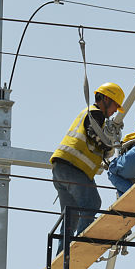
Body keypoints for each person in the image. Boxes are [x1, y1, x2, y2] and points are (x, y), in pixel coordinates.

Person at [49, 82, 124, 249]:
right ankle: (78, 248)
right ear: (105, 99)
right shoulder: (96, 114)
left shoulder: (89, 114)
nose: (114, 112)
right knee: (92, 204)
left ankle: (63, 259)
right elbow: (92, 131)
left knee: (71, 217)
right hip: (73, 169)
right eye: (115, 106)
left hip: (60, 170)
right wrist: (106, 145)